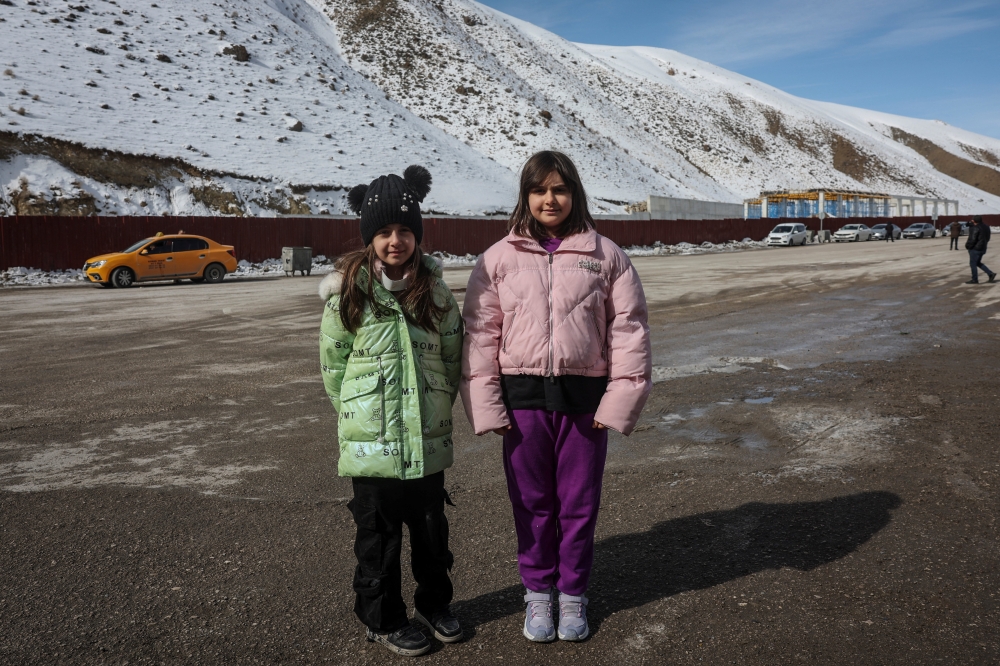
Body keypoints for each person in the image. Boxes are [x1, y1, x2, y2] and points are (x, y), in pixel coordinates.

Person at [460, 151, 652, 643]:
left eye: (560, 189)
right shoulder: (498, 258)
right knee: (532, 505)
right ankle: (538, 596)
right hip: (521, 402)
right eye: (540, 189)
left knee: (579, 505)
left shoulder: (606, 256)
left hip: (584, 404)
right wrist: (487, 406)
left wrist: (617, 404)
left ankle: (572, 597)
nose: (551, 199)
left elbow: (628, 331)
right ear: (525, 196)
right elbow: (480, 335)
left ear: (575, 195)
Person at [318, 165, 464, 657]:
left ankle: (435, 605)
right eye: (383, 232)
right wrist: (356, 415)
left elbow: (450, 355)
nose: (395, 241)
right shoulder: (349, 295)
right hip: (371, 445)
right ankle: (382, 618)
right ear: (369, 238)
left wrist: (439, 404)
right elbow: (333, 366)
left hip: (426, 437)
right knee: (377, 539)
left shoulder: (436, 292)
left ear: (418, 235)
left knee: (430, 532)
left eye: (404, 230)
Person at [965, 215, 996, 284]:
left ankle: (974, 279)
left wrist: (968, 246)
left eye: (972, 220)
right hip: (982, 247)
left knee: (973, 264)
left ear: (974, 220)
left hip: (975, 249)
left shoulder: (976, 228)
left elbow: (972, 239)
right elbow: (987, 237)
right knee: (977, 263)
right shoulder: (986, 227)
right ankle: (990, 274)